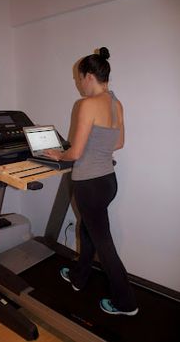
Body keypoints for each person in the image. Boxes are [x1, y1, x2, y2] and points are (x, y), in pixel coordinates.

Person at [44, 47, 138, 316]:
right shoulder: (116, 103)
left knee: (103, 242)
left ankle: (126, 302)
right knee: (88, 231)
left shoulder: (85, 105)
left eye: (78, 78)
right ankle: (79, 276)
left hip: (89, 184)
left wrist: (58, 154)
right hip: (108, 181)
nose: (78, 83)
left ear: (88, 76)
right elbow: (118, 143)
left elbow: (74, 153)